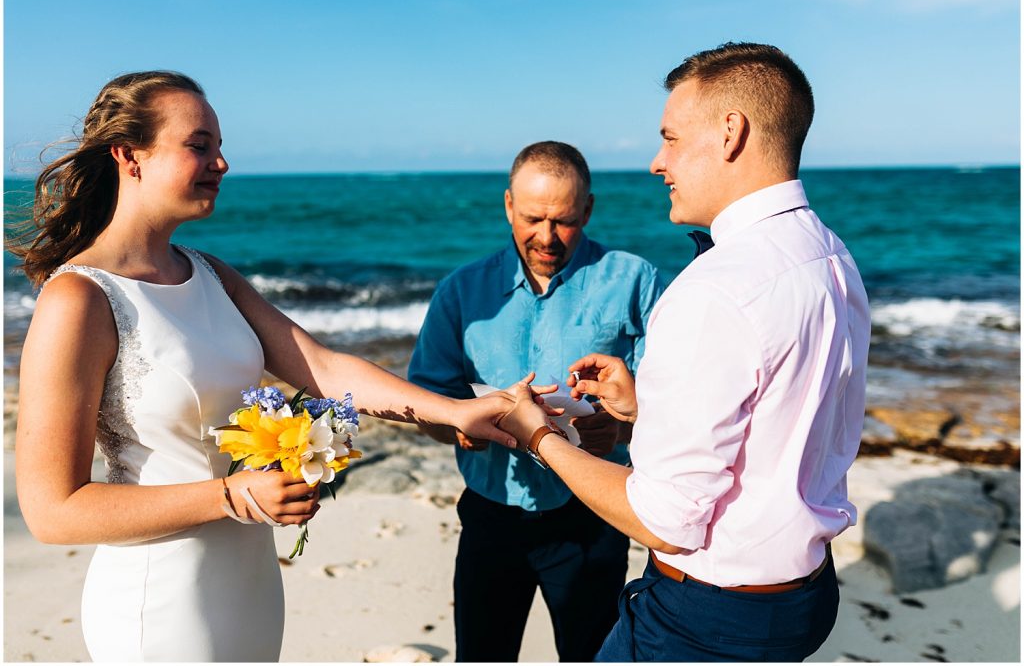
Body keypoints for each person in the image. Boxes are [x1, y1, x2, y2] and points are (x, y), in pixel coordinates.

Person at [9, 71, 517, 662]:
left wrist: (456, 411)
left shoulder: (211, 273)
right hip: (159, 600)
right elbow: (52, 511)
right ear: (130, 156)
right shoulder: (79, 299)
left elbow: (323, 369)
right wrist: (230, 495)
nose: (221, 163)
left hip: (248, 584)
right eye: (199, 145)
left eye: (220, 147)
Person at [495, 43, 870, 661]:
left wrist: (539, 437)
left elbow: (663, 520)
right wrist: (648, 407)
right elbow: (781, 423)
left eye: (670, 137)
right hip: (803, 598)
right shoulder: (830, 254)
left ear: (730, 133)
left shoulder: (717, 288)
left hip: (706, 618)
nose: (656, 162)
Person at [408, 141, 664, 662]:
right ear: (508, 205)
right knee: (482, 655)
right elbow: (427, 403)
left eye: (564, 221)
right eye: (532, 219)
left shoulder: (636, 282)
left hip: (595, 513)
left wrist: (620, 429)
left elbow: (680, 404)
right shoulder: (460, 292)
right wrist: (461, 426)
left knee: (592, 656)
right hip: (492, 514)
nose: (546, 238)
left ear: (588, 209)